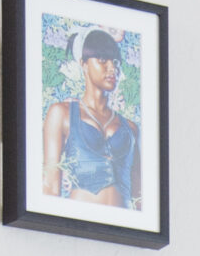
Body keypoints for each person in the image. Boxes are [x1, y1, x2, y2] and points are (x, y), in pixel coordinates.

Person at [42, 26, 139, 209]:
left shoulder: (131, 128)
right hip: (77, 222)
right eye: (102, 59)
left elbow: (140, 195)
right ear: (84, 63)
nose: (112, 68)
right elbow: (50, 186)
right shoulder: (61, 113)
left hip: (121, 228)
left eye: (115, 62)